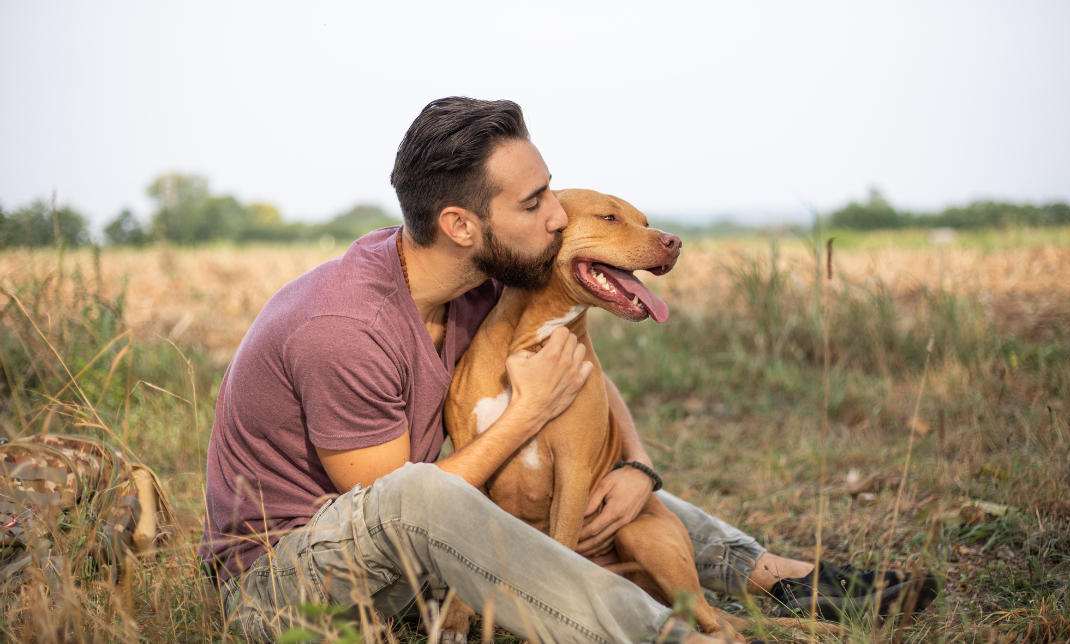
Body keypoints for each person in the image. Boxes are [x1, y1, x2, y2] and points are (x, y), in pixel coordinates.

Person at [200, 97, 936, 643]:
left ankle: (775, 577)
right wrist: (523, 415)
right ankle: (665, 636)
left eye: (550, 189)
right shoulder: (344, 326)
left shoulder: (487, 275)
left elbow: (576, 372)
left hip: (433, 521)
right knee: (440, 489)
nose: (557, 215)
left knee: (573, 470)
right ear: (460, 225)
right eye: (534, 202)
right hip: (293, 582)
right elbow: (396, 506)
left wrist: (638, 466)